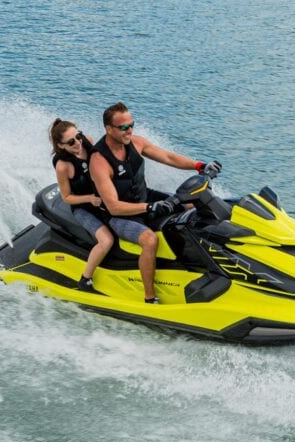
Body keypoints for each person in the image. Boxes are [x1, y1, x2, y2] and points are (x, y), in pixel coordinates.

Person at [89, 102, 221, 304]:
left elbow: (168, 157)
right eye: (123, 127)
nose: (129, 130)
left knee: (193, 206)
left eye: (131, 125)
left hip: (145, 198)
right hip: (119, 215)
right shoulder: (99, 161)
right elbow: (113, 206)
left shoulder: (136, 142)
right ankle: (150, 298)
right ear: (109, 129)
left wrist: (199, 166)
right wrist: (150, 207)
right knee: (150, 240)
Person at [49, 118, 113, 292]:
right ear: (61, 146)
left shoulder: (88, 142)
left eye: (78, 136)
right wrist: (90, 198)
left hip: (103, 200)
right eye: (71, 142)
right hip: (83, 208)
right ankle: (85, 279)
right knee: (107, 241)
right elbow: (67, 197)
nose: (78, 143)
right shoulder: (63, 166)